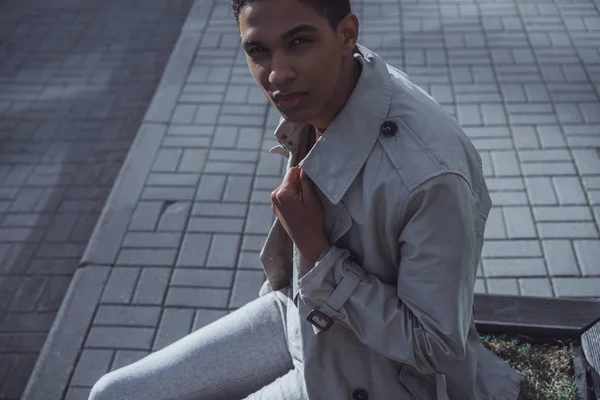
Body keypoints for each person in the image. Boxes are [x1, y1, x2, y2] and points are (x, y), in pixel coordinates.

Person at [89, 0, 522, 398]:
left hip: (379, 375)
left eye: (299, 42)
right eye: (258, 50)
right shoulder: (335, 86)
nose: (277, 74)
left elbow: (438, 348)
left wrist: (317, 252)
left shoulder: (428, 176)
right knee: (112, 393)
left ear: (347, 34)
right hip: (301, 321)